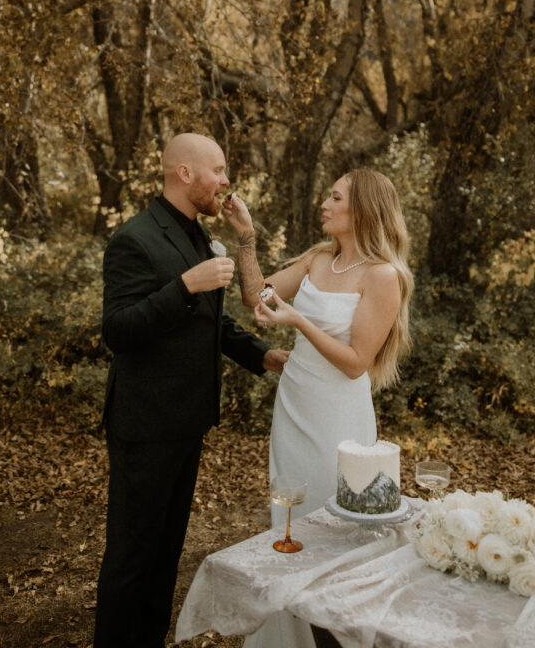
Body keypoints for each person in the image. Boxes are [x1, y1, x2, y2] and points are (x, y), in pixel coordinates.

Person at [93, 132, 288, 648]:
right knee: (132, 558)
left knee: (165, 553)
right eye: (218, 170)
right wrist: (184, 287)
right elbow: (117, 330)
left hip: (187, 419)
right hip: (145, 423)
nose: (226, 180)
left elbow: (213, 321)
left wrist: (261, 356)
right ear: (184, 174)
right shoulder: (134, 237)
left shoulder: (199, 234)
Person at [223, 168, 413, 648]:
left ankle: (337, 634)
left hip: (338, 418)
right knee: (292, 522)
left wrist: (299, 321)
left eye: (335, 197)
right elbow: (255, 296)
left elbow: (355, 364)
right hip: (294, 407)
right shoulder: (317, 258)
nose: (324, 204)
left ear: (363, 210)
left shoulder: (383, 276)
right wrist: (246, 237)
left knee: (336, 531)